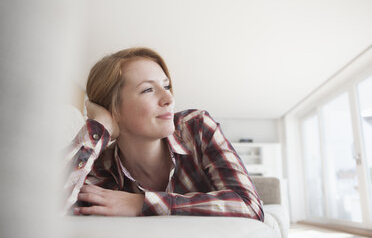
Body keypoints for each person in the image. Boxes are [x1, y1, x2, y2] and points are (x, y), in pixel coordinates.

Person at [62, 47, 264, 221]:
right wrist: (97, 127)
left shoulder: (198, 128)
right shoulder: (101, 165)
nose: (169, 98)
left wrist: (143, 203)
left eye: (166, 86)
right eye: (148, 89)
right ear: (113, 110)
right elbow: (45, 209)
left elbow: (249, 206)